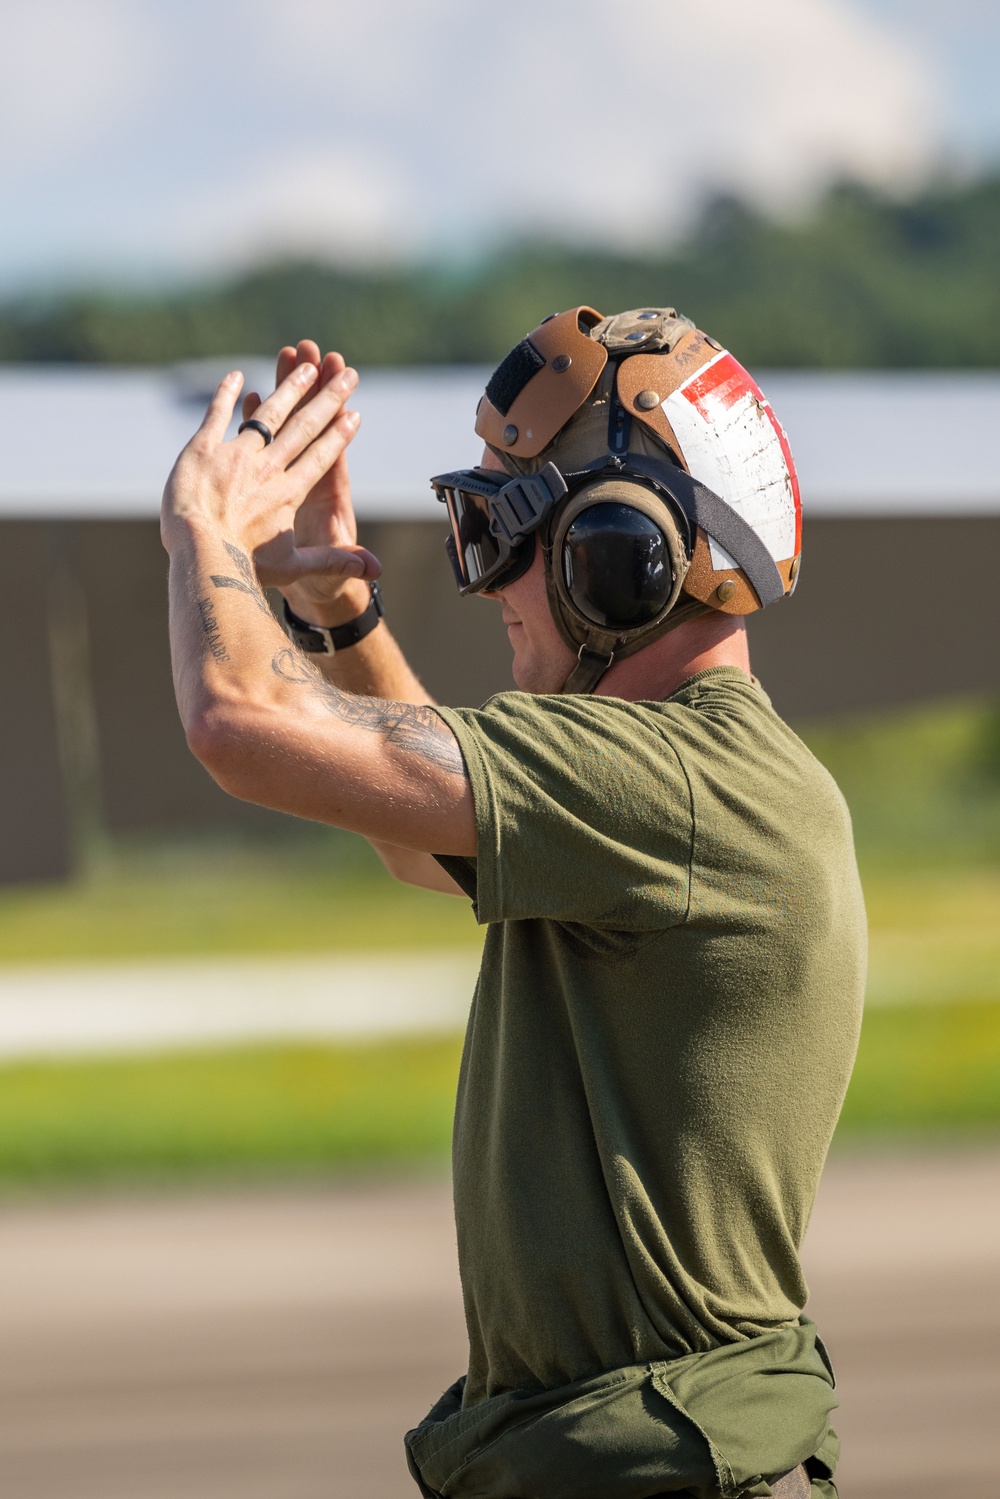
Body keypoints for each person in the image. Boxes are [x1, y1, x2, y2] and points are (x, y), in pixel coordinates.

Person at [162, 307, 866, 1499]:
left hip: (648, 1458)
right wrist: (337, 614)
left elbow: (241, 724)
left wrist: (202, 532)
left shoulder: (684, 784)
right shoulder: (679, 784)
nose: (481, 577)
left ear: (618, 553)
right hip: (617, 1450)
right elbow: (415, 844)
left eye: (500, 530)